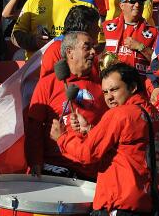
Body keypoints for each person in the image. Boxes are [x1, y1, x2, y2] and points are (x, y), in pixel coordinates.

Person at [52, 62, 159, 214]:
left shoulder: (120, 114)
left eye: (114, 90)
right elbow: (126, 149)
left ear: (132, 87)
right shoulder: (154, 113)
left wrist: (62, 137)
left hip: (121, 205)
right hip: (150, 204)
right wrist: (89, 131)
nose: (109, 97)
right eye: (105, 92)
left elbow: (87, 153)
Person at [26, 30, 107, 178]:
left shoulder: (102, 87)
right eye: (87, 47)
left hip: (89, 169)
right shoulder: (47, 83)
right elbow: (34, 128)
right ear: (70, 52)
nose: (93, 52)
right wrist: (35, 162)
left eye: (93, 47)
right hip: (55, 167)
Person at [102, 0, 158, 75]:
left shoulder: (153, 32)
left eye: (141, 2)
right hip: (111, 83)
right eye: (132, 1)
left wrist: (141, 47)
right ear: (122, 5)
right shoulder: (106, 27)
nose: (137, 5)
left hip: (139, 84)